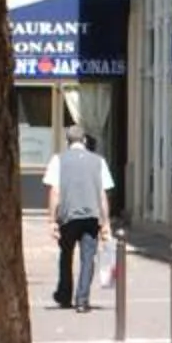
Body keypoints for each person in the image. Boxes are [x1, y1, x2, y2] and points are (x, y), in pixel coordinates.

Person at [42, 122, 113, 312]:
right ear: (84, 141)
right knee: (88, 258)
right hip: (91, 216)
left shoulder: (58, 160)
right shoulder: (99, 161)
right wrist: (106, 222)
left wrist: (51, 220)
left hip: (68, 216)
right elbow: (102, 195)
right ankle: (82, 299)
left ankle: (64, 294)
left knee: (66, 255)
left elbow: (54, 192)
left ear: (67, 141)